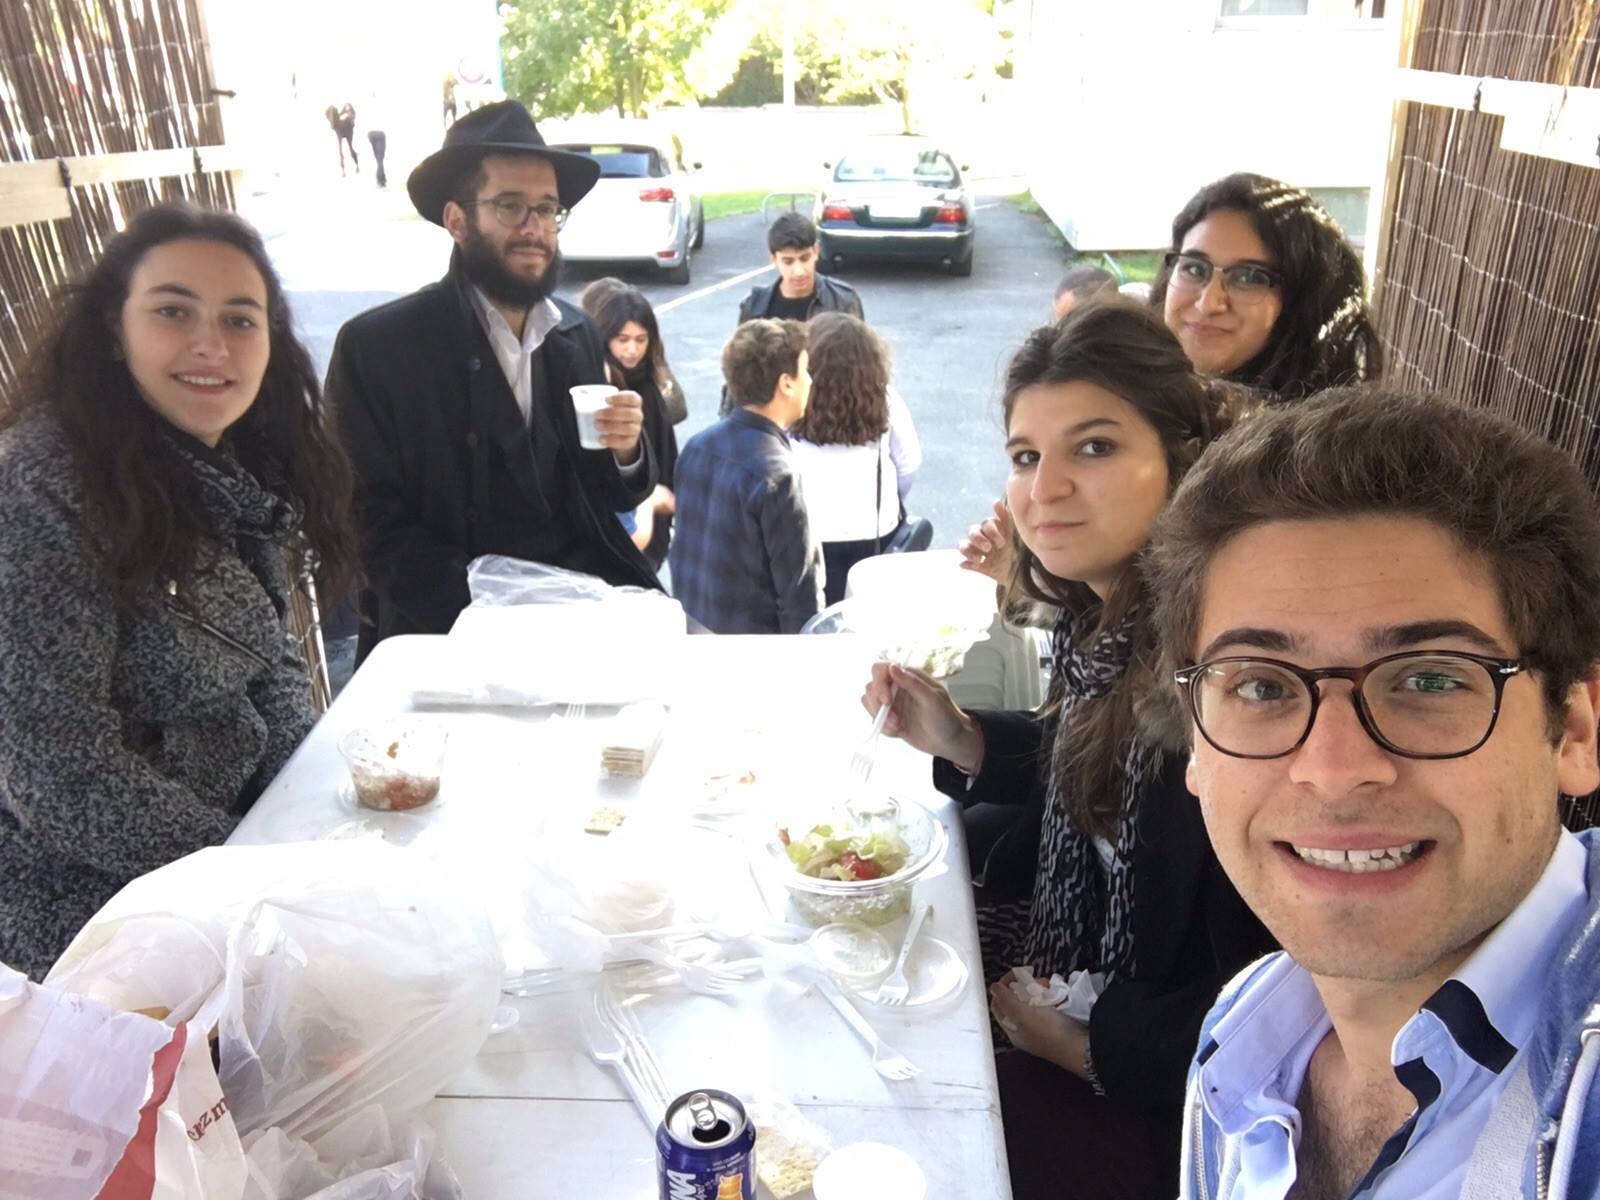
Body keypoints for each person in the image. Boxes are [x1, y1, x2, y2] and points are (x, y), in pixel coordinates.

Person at [862, 300, 1273, 1199]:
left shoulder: (1225, 673)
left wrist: (1085, 1052)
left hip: (1186, 1114)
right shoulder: (1106, 624)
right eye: (1024, 456)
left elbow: (1283, 985)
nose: (1043, 489)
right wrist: (963, 736)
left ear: (1183, 460)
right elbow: (1082, 777)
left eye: (1093, 447)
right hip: (1078, 990)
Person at [1146, 390, 1600, 1200]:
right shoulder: (1242, 1036)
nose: (1333, 767)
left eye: (1429, 680)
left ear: (1572, 729)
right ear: (1196, 745)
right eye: (1260, 685)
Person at [0, 203, 358, 980]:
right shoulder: (40, 486)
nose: (211, 344)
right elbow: (59, 776)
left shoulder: (236, 470)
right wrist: (256, 879)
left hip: (232, 857)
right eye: (172, 311)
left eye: (240, 319)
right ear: (113, 330)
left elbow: (272, 670)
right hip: (89, 906)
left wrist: (313, 810)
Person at [327, 100, 659, 662]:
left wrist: (627, 450)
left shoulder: (575, 332)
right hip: (448, 637)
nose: (534, 228)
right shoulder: (377, 347)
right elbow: (364, 522)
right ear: (457, 221)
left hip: (580, 615)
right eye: (510, 206)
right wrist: (491, 622)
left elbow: (607, 494)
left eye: (547, 209)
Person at [1150, 172, 1381, 400]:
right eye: (1194, 269)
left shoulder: (1313, 425)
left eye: (1249, 278)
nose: (1207, 304)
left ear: (1299, 304)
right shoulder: (1136, 391)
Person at [669, 319, 821, 634]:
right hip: (752, 653)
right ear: (786, 383)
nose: (810, 380)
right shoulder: (778, 475)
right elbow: (799, 599)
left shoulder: (697, 446)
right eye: (805, 370)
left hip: (693, 634)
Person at [789, 312, 922, 606]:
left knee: (818, 614)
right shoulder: (887, 401)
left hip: (810, 533)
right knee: (870, 613)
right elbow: (909, 463)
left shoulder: (795, 400)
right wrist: (892, 500)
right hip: (875, 530)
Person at [578, 278, 679, 570]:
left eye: (641, 339)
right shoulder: (595, 388)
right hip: (625, 533)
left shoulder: (649, 384)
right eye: (622, 340)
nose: (633, 350)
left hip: (652, 526)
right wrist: (650, 501)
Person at [736, 212, 863, 326]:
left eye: (805, 258)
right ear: (774, 259)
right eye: (788, 262)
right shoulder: (754, 307)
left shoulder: (843, 300)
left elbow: (859, 345)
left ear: (816, 251)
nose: (799, 271)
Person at [326, 102, 359, 176]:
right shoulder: (335, 115)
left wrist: (346, 112)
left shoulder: (337, 115)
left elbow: (345, 112)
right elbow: (341, 113)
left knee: (345, 149)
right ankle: (350, 167)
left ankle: (353, 166)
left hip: (345, 128)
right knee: (344, 149)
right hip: (343, 129)